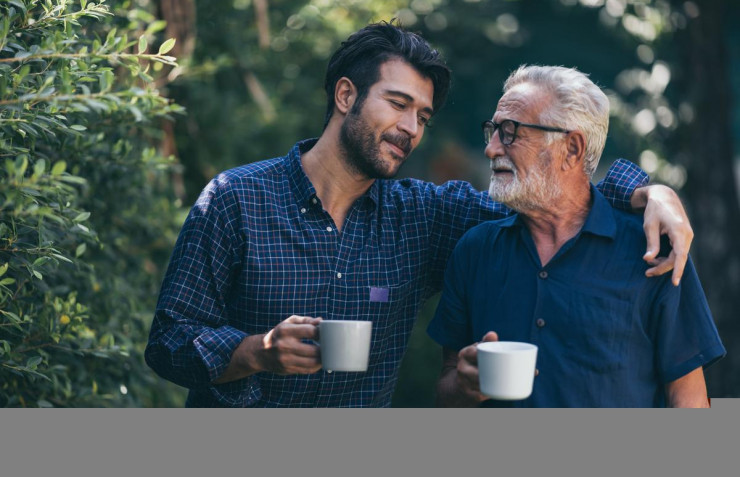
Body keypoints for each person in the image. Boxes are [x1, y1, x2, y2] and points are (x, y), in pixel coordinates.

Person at [145, 22, 694, 407]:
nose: (412, 128)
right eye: (398, 104)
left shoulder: (424, 218)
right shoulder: (238, 199)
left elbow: (551, 197)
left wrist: (649, 192)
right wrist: (255, 352)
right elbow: (168, 342)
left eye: (424, 115)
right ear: (345, 95)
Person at [428, 65, 725, 407]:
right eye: (492, 131)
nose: (492, 149)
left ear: (571, 148)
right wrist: (465, 387)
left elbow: (687, 399)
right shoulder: (475, 250)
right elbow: (446, 387)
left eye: (510, 132)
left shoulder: (655, 250)